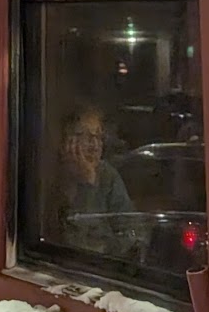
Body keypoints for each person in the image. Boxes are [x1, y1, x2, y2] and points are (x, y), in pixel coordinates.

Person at [52, 106, 149, 265]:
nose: (95, 145)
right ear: (67, 142)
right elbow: (80, 248)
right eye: (86, 136)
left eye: (98, 137)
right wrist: (87, 183)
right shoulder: (53, 179)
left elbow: (134, 231)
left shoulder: (107, 174)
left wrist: (110, 247)